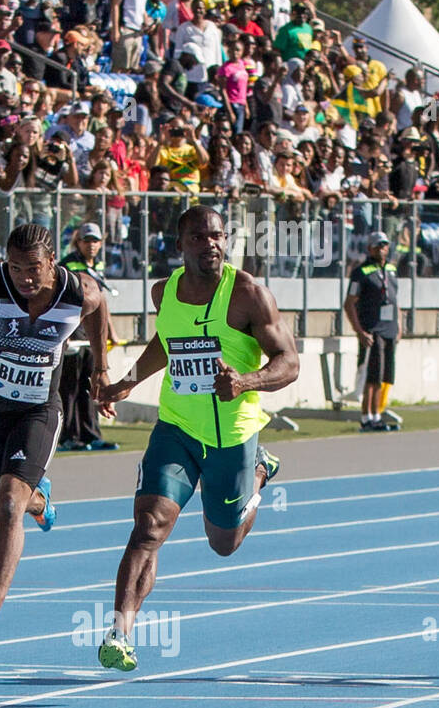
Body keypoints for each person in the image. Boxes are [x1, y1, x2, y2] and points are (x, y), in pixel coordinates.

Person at [97, 205, 299, 671]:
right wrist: (129, 378)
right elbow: (167, 343)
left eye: (219, 236)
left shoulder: (248, 294)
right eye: (200, 237)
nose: (212, 244)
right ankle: (120, 633)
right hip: (177, 429)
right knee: (149, 527)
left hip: (232, 436)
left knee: (222, 544)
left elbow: (289, 362)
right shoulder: (162, 291)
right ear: (180, 244)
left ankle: (260, 471)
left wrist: (246, 382)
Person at [0, 223, 114, 655]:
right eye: (16, 268)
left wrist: (99, 367)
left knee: (10, 505)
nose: (25, 278)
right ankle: (41, 501)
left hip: (39, 411)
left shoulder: (78, 291)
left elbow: (100, 307)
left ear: (52, 261)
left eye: (33, 268)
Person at [60, 223, 122, 451]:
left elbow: (101, 303)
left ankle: (90, 434)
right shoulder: (68, 265)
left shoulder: (98, 266)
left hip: (90, 336)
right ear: (79, 242)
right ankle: (66, 436)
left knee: (91, 386)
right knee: (69, 388)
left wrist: (111, 332)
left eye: (95, 241)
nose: (92, 245)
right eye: (87, 241)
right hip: (74, 335)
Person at [344, 231, 401, 432]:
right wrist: (359, 331)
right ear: (370, 248)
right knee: (371, 376)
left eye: (384, 245)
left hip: (389, 329)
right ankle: (366, 416)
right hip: (372, 329)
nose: (382, 249)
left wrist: (399, 325)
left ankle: (377, 414)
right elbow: (349, 303)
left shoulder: (392, 269)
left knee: (385, 375)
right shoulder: (361, 272)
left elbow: (395, 301)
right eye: (378, 246)